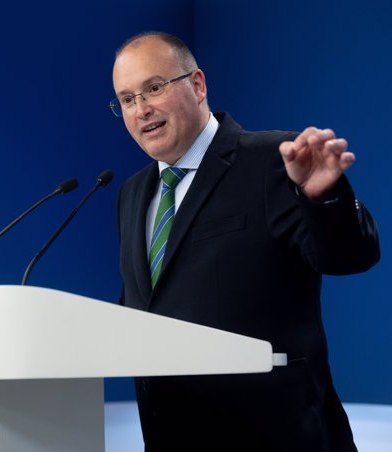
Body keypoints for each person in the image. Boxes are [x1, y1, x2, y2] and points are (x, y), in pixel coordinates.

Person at [112, 31, 380, 452]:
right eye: (127, 99)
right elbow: (149, 304)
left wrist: (322, 198)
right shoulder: (132, 194)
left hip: (275, 437)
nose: (141, 109)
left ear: (197, 85)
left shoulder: (274, 160)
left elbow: (351, 255)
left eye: (154, 88)